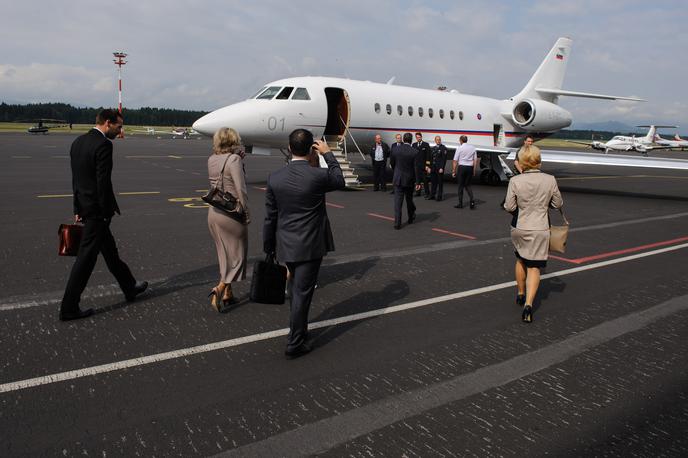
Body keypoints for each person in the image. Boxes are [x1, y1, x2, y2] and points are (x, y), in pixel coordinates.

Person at [263, 129, 345, 359]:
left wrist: (269, 246)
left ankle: (299, 330)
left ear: (289, 149)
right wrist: (328, 155)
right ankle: (295, 342)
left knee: (297, 291)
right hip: (310, 244)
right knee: (302, 293)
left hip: (285, 244)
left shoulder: (275, 178)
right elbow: (339, 178)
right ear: (311, 149)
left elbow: (270, 217)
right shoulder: (317, 176)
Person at [59, 109, 147, 321]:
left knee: (110, 252)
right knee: (86, 259)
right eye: (118, 126)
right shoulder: (104, 145)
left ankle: (129, 287)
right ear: (108, 123)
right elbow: (102, 183)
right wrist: (105, 213)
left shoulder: (78, 142)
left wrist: (77, 208)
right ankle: (69, 307)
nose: (120, 131)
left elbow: (76, 181)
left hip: (86, 207)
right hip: (98, 212)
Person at [503, 145, 563, 323]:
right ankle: (528, 305)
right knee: (534, 267)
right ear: (538, 160)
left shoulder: (516, 181)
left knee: (520, 259)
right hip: (540, 227)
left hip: (520, 226)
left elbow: (509, 207)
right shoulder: (550, 180)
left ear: (522, 162)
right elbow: (557, 203)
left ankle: (521, 293)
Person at [207, 127, 250, 312]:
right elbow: (240, 188)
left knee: (224, 253)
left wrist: (239, 160)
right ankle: (220, 288)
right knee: (239, 256)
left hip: (214, 212)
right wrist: (246, 212)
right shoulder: (234, 160)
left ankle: (228, 294)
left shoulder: (211, 159)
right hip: (231, 213)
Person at [389, 132, 421, 229]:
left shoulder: (395, 150)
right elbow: (416, 168)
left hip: (398, 178)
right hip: (409, 179)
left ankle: (397, 223)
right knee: (409, 200)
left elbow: (392, 163)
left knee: (398, 202)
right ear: (411, 140)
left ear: (403, 139)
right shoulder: (415, 152)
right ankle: (410, 218)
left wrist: (396, 172)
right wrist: (418, 182)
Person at [452, 135, 479, 209]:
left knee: (460, 186)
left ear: (461, 140)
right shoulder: (473, 148)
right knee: (468, 185)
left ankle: (460, 204)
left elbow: (455, 161)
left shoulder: (459, 148)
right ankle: (472, 201)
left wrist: (454, 171)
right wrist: (474, 170)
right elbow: (475, 160)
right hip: (470, 167)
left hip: (462, 167)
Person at [429, 135, 448, 201]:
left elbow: (444, 159)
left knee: (440, 183)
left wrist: (442, 168)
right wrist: (429, 167)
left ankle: (439, 196)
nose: (438, 141)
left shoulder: (443, 148)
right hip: (433, 167)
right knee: (433, 182)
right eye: (437, 139)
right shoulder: (433, 148)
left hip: (439, 168)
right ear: (435, 140)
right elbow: (431, 158)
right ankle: (432, 195)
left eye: (439, 139)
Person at [412, 132, 431, 197]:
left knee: (425, 180)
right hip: (416, 165)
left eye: (419, 137)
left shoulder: (426, 144)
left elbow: (428, 156)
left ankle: (427, 192)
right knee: (417, 180)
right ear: (416, 138)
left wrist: (427, 165)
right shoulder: (414, 145)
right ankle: (418, 192)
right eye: (417, 137)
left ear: (421, 137)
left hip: (423, 166)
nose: (418, 138)